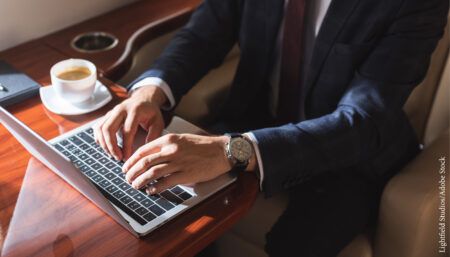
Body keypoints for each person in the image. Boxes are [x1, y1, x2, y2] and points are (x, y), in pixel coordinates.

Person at [93, 0, 449, 256]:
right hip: (257, 115)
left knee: (295, 243)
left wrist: (230, 150)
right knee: (164, 202)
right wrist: (151, 91)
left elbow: (363, 120)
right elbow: (205, 32)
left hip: (349, 154)